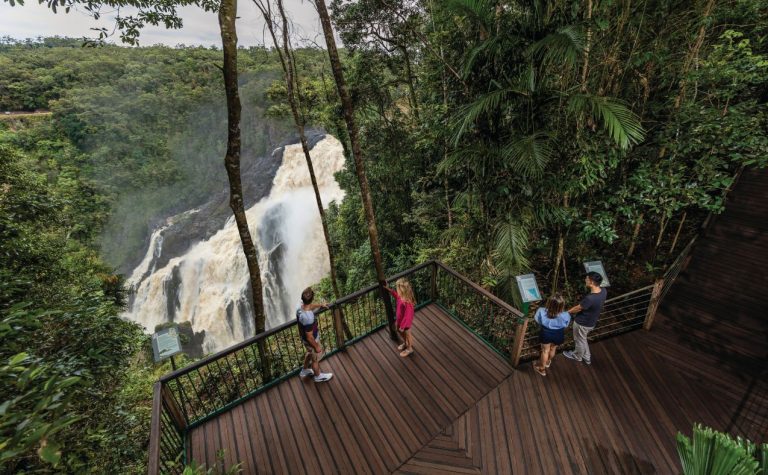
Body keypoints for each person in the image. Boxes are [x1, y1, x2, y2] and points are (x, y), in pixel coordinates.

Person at [563, 272, 607, 365]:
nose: (585, 280)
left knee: (579, 340)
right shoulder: (603, 291)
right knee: (582, 339)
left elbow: (578, 308)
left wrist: (567, 312)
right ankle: (587, 357)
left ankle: (577, 356)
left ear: (591, 282)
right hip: (592, 321)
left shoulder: (590, 298)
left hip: (582, 323)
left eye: (586, 279)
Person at [297, 287, 333, 382]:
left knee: (309, 352)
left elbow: (310, 306)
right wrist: (316, 346)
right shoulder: (308, 317)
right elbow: (309, 336)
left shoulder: (300, 307)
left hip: (303, 339)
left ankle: (304, 370)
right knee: (315, 359)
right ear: (312, 298)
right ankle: (318, 376)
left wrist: (321, 305)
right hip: (311, 340)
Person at [532, 294, 571, 376]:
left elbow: (537, 320)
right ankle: (548, 362)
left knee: (545, 351)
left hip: (546, 333)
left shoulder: (541, 311)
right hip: (559, 333)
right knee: (553, 348)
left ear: (549, 303)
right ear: (562, 305)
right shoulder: (566, 315)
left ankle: (542, 369)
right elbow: (566, 325)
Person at [385, 278, 416, 357]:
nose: (396, 289)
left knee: (407, 335)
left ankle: (410, 349)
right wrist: (390, 290)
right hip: (400, 321)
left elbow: (408, 316)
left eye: (397, 288)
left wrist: (403, 326)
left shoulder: (407, 302)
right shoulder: (401, 296)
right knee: (400, 332)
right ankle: (406, 343)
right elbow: (396, 295)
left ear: (401, 289)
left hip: (405, 324)